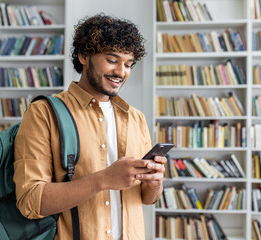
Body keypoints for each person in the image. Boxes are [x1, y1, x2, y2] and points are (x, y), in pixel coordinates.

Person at [13, 13, 167, 239]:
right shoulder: (43, 113)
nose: (121, 72)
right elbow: (30, 201)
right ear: (84, 55)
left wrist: (155, 183)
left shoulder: (136, 118)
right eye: (112, 60)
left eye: (128, 64)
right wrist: (103, 179)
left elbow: (147, 198)